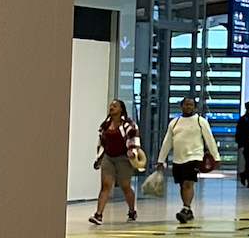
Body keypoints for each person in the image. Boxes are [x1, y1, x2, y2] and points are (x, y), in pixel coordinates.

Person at [157, 94, 217, 224]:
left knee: (188, 183)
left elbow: (210, 140)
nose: (188, 106)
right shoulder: (174, 122)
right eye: (186, 104)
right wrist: (161, 159)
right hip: (178, 159)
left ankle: (185, 208)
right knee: (182, 184)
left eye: (191, 104)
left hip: (194, 157)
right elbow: (167, 142)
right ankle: (187, 209)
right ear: (181, 106)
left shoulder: (200, 121)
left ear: (195, 107)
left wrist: (215, 157)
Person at [89, 100, 143, 224]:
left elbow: (134, 139)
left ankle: (132, 211)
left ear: (121, 109)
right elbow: (102, 142)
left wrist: (132, 151)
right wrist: (99, 158)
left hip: (123, 158)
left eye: (115, 106)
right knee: (105, 185)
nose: (112, 107)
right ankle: (99, 215)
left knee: (125, 186)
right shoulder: (105, 125)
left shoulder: (129, 125)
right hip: (109, 157)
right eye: (111, 106)